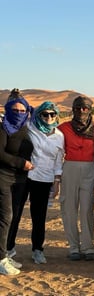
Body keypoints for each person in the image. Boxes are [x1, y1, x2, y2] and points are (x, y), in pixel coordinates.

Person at [7, 101, 64, 265]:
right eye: (45, 114)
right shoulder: (29, 130)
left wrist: (57, 180)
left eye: (52, 114)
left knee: (39, 217)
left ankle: (37, 250)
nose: (49, 117)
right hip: (25, 177)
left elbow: (59, 161)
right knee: (15, 214)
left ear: (56, 116)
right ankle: (9, 248)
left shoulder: (59, 136)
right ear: (39, 115)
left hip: (45, 179)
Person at [58, 96, 94, 261]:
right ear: (73, 109)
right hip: (69, 167)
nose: (81, 111)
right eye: (78, 108)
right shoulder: (63, 128)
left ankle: (87, 246)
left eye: (85, 108)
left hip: (89, 168)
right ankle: (73, 247)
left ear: (90, 109)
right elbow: (57, 149)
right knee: (69, 208)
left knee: (87, 208)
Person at [0, 89, 34, 275]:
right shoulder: (3, 128)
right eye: (15, 110)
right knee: (5, 218)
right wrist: (21, 163)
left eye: (23, 111)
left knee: (14, 217)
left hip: (20, 180)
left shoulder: (25, 127)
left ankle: (5, 253)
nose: (19, 114)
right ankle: (0, 259)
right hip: (3, 177)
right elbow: (0, 154)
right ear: (8, 110)